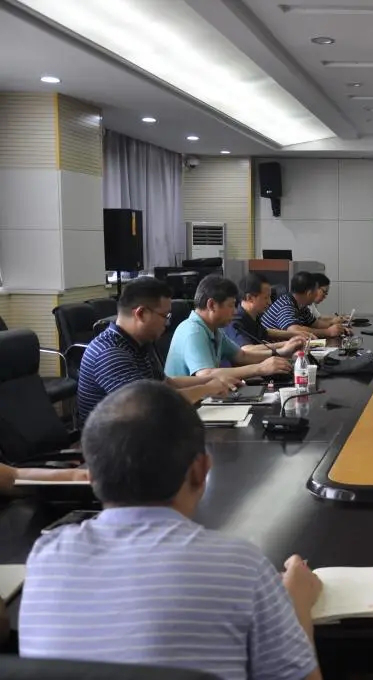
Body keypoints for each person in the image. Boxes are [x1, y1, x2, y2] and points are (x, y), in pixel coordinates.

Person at [19, 381, 323, 680]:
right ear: (200, 470)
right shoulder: (240, 566)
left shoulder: (45, 558)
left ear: (90, 477)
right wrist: (296, 602)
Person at [76, 277, 238, 423]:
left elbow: (166, 384)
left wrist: (213, 380)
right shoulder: (109, 353)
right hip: (113, 441)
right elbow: (150, 405)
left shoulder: (139, 342)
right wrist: (207, 389)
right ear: (141, 313)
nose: (167, 324)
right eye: (165, 316)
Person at [164, 275, 295, 380]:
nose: (235, 311)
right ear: (211, 305)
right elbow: (206, 374)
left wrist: (280, 353)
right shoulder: (193, 331)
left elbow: (242, 356)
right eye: (231, 305)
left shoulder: (215, 330)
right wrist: (260, 368)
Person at [225, 273, 313, 353]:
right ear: (250, 298)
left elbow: (265, 332)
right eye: (266, 297)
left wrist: (296, 334)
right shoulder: (235, 321)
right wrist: (286, 344)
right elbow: (247, 349)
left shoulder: (253, 315)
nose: (270, 302)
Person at [262, 271, 348, 339]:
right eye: (315, 292)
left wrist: (339, 328)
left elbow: (316, 324)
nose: (316, 295)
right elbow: (295, 330)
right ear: (309, 293)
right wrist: (328, 332)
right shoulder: (285, 305)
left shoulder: (302, 305)